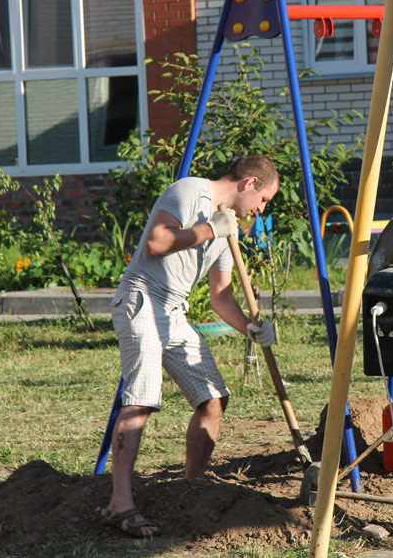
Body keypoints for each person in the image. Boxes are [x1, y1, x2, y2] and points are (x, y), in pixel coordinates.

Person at [100, 155, 280, 537]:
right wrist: (209, 229)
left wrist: (250, 329)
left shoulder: (227, 229)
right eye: (264, 199)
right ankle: (119, 503)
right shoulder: (190, 191)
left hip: (174, 312)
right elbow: (156, 241)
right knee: (141, 400)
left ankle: (192, 489)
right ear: (249, 183)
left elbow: (221, 297)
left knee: (213, 398)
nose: (261, 209)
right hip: (142, 300)